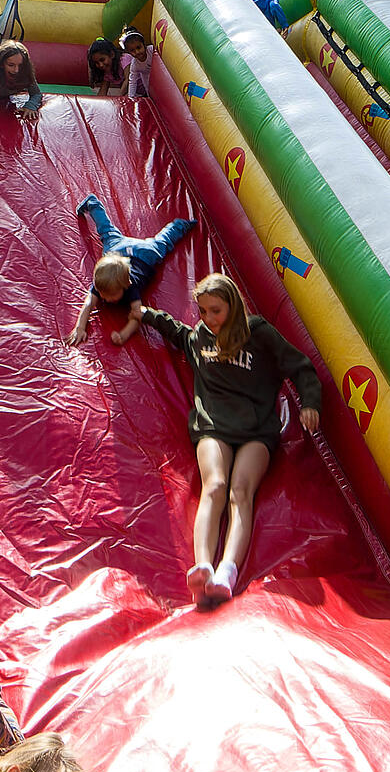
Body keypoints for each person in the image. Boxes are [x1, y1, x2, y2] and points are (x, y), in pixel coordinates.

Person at [136, 273, 322, 608]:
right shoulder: (202, 337)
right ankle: (203, 565)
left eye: (216, 311)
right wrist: (146, 314)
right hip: (214, 426)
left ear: (233, 307)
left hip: (255, 430)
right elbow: (177, 332)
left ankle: (228, 570)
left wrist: (310, 403)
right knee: (216, 485)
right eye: (204, 311)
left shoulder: (258, 334)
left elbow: (301, 367)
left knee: (240, 491)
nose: (209, 319)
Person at [67, 196, 195, 346]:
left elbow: (137, 313)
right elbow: (89, 303)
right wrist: (80, 327)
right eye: (103, 294)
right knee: (106, 231)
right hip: (117, 249)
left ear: (125, 285)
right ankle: (92, 204)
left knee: (162, 243)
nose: (105, 299)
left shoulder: (131, 288)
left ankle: (179, 225)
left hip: (144, 255)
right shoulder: (103, 285)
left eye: (111, 295)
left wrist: (124, 334)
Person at [118, 30, 153, 99]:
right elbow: (132, 81)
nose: (137, 52)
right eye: (132, 50)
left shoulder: (151, 51)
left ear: (144, 45)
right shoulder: (134, 64)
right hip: (148, 82)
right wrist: (131, 98)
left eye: (138, 47)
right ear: (128, 52)